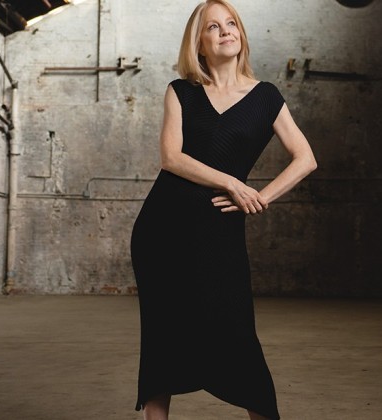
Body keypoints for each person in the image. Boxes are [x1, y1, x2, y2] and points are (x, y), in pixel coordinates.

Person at [131, 1, 316, 419]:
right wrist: (233, 182)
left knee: (236, 335)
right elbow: (171, 158)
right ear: (199, 42)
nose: (226, 31)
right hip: (164, 228)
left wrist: (262, 196)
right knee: (163, 335)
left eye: (231, 23)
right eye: (213, 26)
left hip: (219, 231)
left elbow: (306, 158)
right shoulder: (180, 92)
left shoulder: (266, 96)